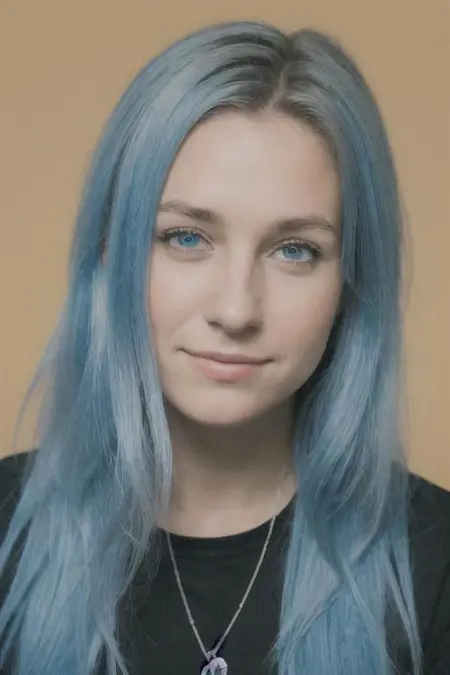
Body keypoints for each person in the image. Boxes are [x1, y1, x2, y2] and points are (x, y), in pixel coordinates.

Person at [0, 19, 449, 675]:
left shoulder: (435, 562)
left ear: (351, 284)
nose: (237, 310)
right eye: (186, 238)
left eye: (295, 250)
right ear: (111, 252)